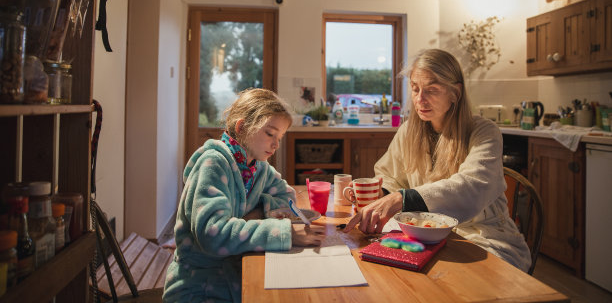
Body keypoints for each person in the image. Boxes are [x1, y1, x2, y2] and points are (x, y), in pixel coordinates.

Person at [343, 49, 531, 272]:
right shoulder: (408, 132)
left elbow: (472, 185)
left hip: (483, 239)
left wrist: (401, 199)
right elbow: (392, 177)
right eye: (415, 89)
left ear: (455, 93)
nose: (420, 99)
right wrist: (379, 195)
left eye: (431, 89)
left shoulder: (483, 132)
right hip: (425, 235)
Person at [163, 88, 325, 302]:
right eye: (270, 133)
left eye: (280, 137)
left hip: (234, 277)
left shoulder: (258, 167)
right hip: (199, 286)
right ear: (242, 127)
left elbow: (288, 199)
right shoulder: (213, 164)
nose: (276, 144)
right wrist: (285, 233)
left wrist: (255, 213)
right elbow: (212, 234)